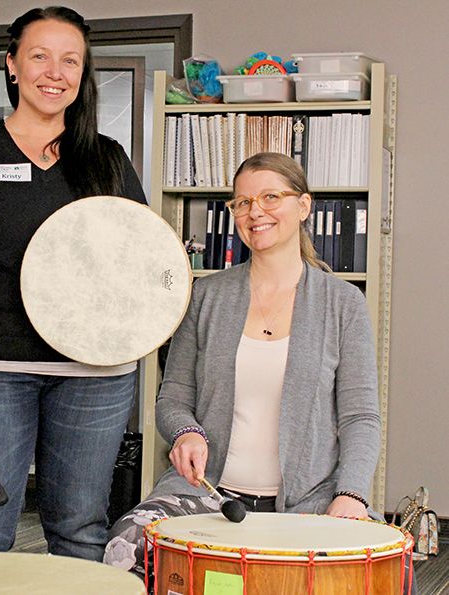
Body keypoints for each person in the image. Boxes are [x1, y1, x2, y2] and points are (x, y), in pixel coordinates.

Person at [0, 6, 146, 561]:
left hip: (94, 374)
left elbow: (139, 261)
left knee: (81, 533)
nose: (54, 71)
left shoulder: (107, 159)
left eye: (71, 60)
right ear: (13, 65)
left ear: (83, 75)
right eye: (39, 56)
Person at [104, 152, 383, 578]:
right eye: (243, 203)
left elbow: (361, 417)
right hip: (209, 494)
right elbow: (173, 397)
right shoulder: (206, 297)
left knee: (383, 571)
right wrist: (187, 432)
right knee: (125, 546)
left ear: (304, 206)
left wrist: (351, 495)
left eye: (271, 197)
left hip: (312, 500)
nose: (256, 212)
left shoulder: (344, 304)